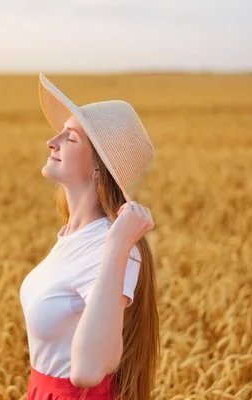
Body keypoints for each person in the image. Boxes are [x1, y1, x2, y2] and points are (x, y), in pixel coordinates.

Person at [19, 74, 160, 400]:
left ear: (98, 166)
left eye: (70, 138)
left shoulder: (112, 246)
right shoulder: (71, 236)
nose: (51, 142)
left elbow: (87, 371)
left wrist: (118, 245)